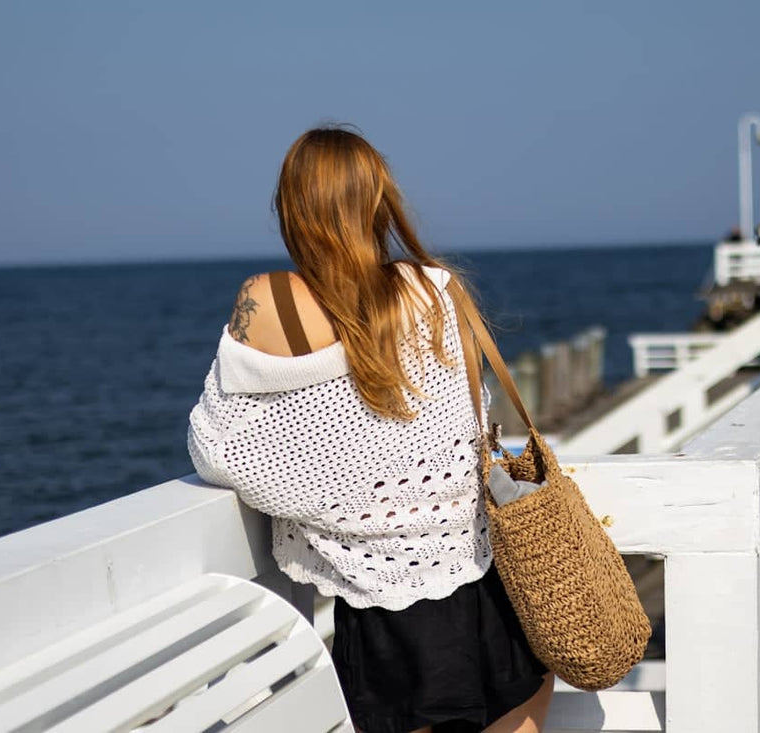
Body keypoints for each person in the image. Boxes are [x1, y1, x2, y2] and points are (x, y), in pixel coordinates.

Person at [187, 127, 553, 733]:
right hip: (484, 579)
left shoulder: (268, 299)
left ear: (292, 209)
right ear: (380, 202)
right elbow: (467, 420)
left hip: (381, 612)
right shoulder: (435, 287)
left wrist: (322, 483)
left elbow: (218, 445)